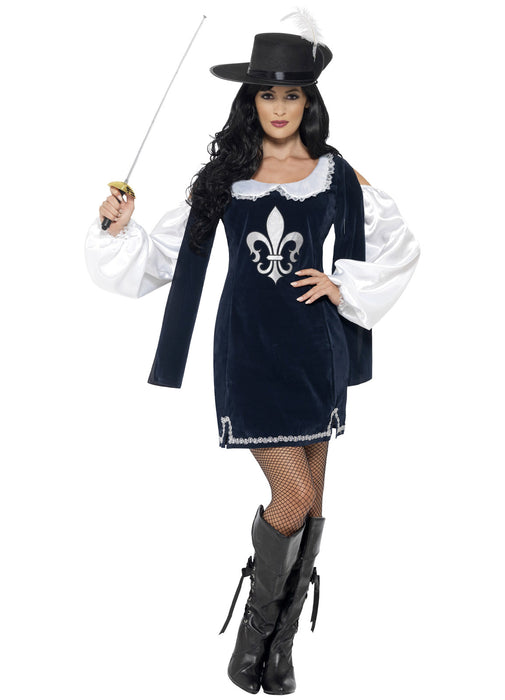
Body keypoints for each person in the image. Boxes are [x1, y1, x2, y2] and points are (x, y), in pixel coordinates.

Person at [85, 26, 420, 696]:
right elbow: (164, 256)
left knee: (314, 500)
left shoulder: (334, 172)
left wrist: (342, 287)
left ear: (308, 101)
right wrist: (117, 228)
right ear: (250, 99)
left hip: (316, 352)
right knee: (291, 496)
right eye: (267, 93)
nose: (279, 106)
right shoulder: (224, 177)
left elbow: (398, 240)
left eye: (292, 94)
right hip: (249, 352)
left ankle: (279, 650)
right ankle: (253, 635)